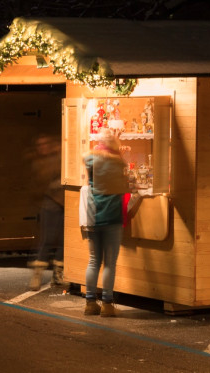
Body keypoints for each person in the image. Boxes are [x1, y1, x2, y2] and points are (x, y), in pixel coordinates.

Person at [83, 130, 129, 317]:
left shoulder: (90, 160)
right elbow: (126, 186)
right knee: (110, 263)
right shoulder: (118, 163)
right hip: (112, 217)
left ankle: (90, 302)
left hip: (94, 216)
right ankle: (107, 305)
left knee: (94, 261)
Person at [28, 133, 65, 290]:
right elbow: (41, 183)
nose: (42, 147)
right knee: (47, 239)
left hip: (63, 202)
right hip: (50, 203)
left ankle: (58, 274)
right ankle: (37, 275)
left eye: (45, 144)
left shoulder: (59, 157)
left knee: (64, 240)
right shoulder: (38, 163)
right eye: (39, 145)